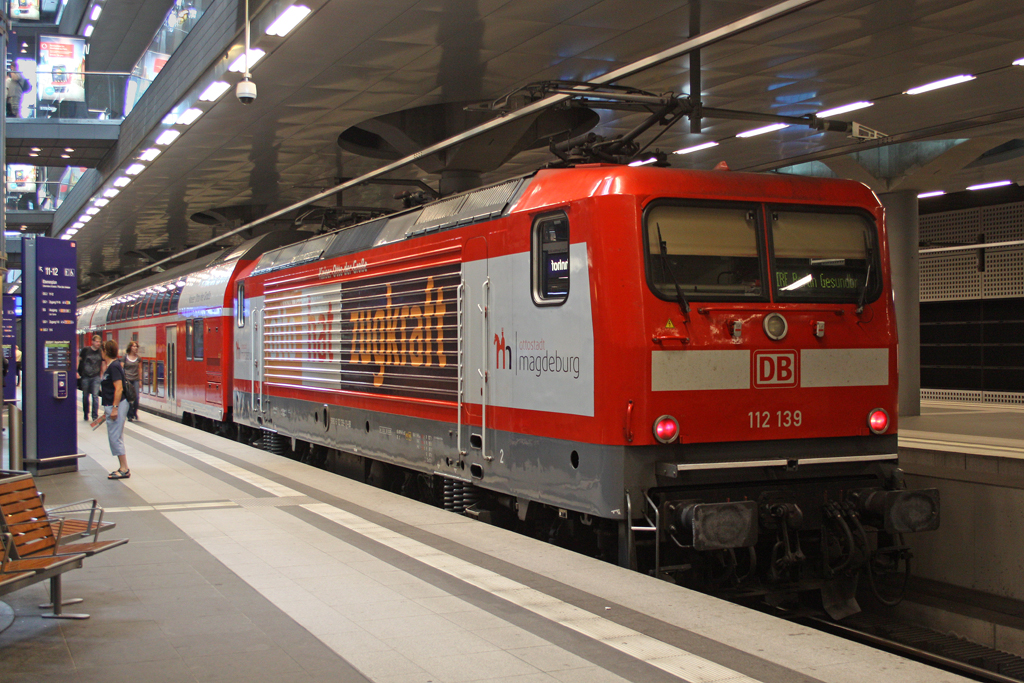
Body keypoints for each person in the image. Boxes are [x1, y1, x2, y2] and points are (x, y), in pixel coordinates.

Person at [100, 339, 130, 479]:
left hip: (116, 405)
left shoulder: (114, 367)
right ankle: (123, 467)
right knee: (115, 436)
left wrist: (114, 408)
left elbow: (119, 389)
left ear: (105, 351)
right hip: (111, 405)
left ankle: (124, 468)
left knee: (115, 437)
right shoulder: (112, 366)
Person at [77, 334, 103, 421]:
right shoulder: (86, 350)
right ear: (92, 342)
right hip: (86, 376)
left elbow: (103, 363)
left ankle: (95, 415)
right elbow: (79, 359)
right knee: (85, 396)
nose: (98, 343)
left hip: (96, 377)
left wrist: (102, 375)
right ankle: (86, 413)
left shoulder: (100, 351)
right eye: (96, 341)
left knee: (95, 396)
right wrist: (76, 371)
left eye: (99, 342)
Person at [123, 341, 141, 421]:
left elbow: (140, 369)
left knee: (136, 397)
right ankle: (129, 415)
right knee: (129, 398)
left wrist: (140, 380)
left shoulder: (138, 358)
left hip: (136, 379)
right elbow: (122, 368)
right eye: (134, 346)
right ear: (130, 347)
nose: (135, 348)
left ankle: (134, 412)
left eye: (136, 346)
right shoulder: (125, 358)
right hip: (127, 380)